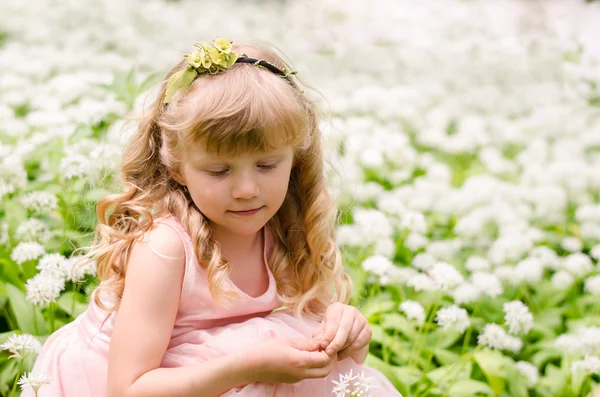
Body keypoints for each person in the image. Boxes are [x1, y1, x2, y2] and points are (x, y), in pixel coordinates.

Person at [26, 38, 402, 397]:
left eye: (267, 164)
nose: (246, 189)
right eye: (219, 171)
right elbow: (127, 389)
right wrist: (245, 367)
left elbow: (321, 378)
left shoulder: (286, 232)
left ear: (295, 159)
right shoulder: (166, 248)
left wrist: (347, 337)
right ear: (176, 168)